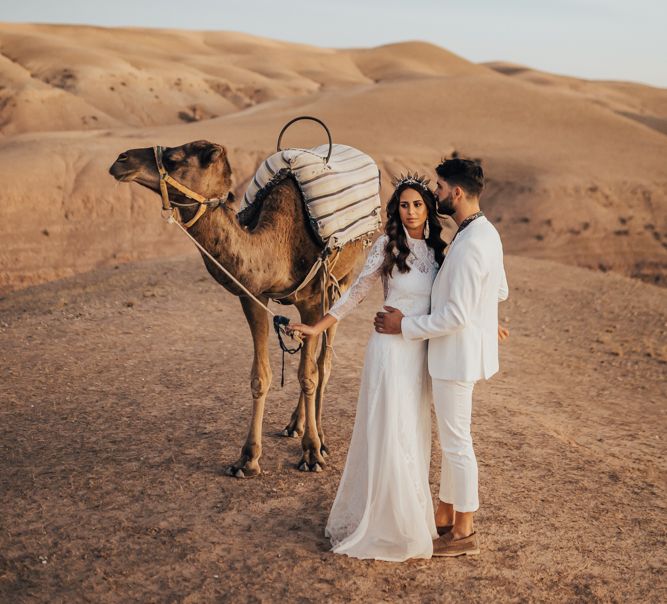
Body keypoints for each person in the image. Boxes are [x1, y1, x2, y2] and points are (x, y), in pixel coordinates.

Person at [289, 174, 447, 561]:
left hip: (418, 353)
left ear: (427, 209)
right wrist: (315, 327)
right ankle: (386, 522)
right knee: (389, 431)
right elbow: (355, 293)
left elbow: (455, 299)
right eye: (404, 205)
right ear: (396, 210)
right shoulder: (386, 246)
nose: (410, 212)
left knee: (412, 431)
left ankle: (410, 517)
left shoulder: (439, 251)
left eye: (417, 205)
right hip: (389, 352)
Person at [374, 158, 509, 557]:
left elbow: (456, 315)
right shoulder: (485, 233)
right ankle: (446, 513)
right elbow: (497, 290)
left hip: (455, 356)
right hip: (461, 351)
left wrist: (404, 326)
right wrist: (487, 321)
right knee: (455, 439)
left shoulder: (470, 245)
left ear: (457, 193)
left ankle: (464, 530)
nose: (434, 194)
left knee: (456, 443)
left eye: (438, 187)